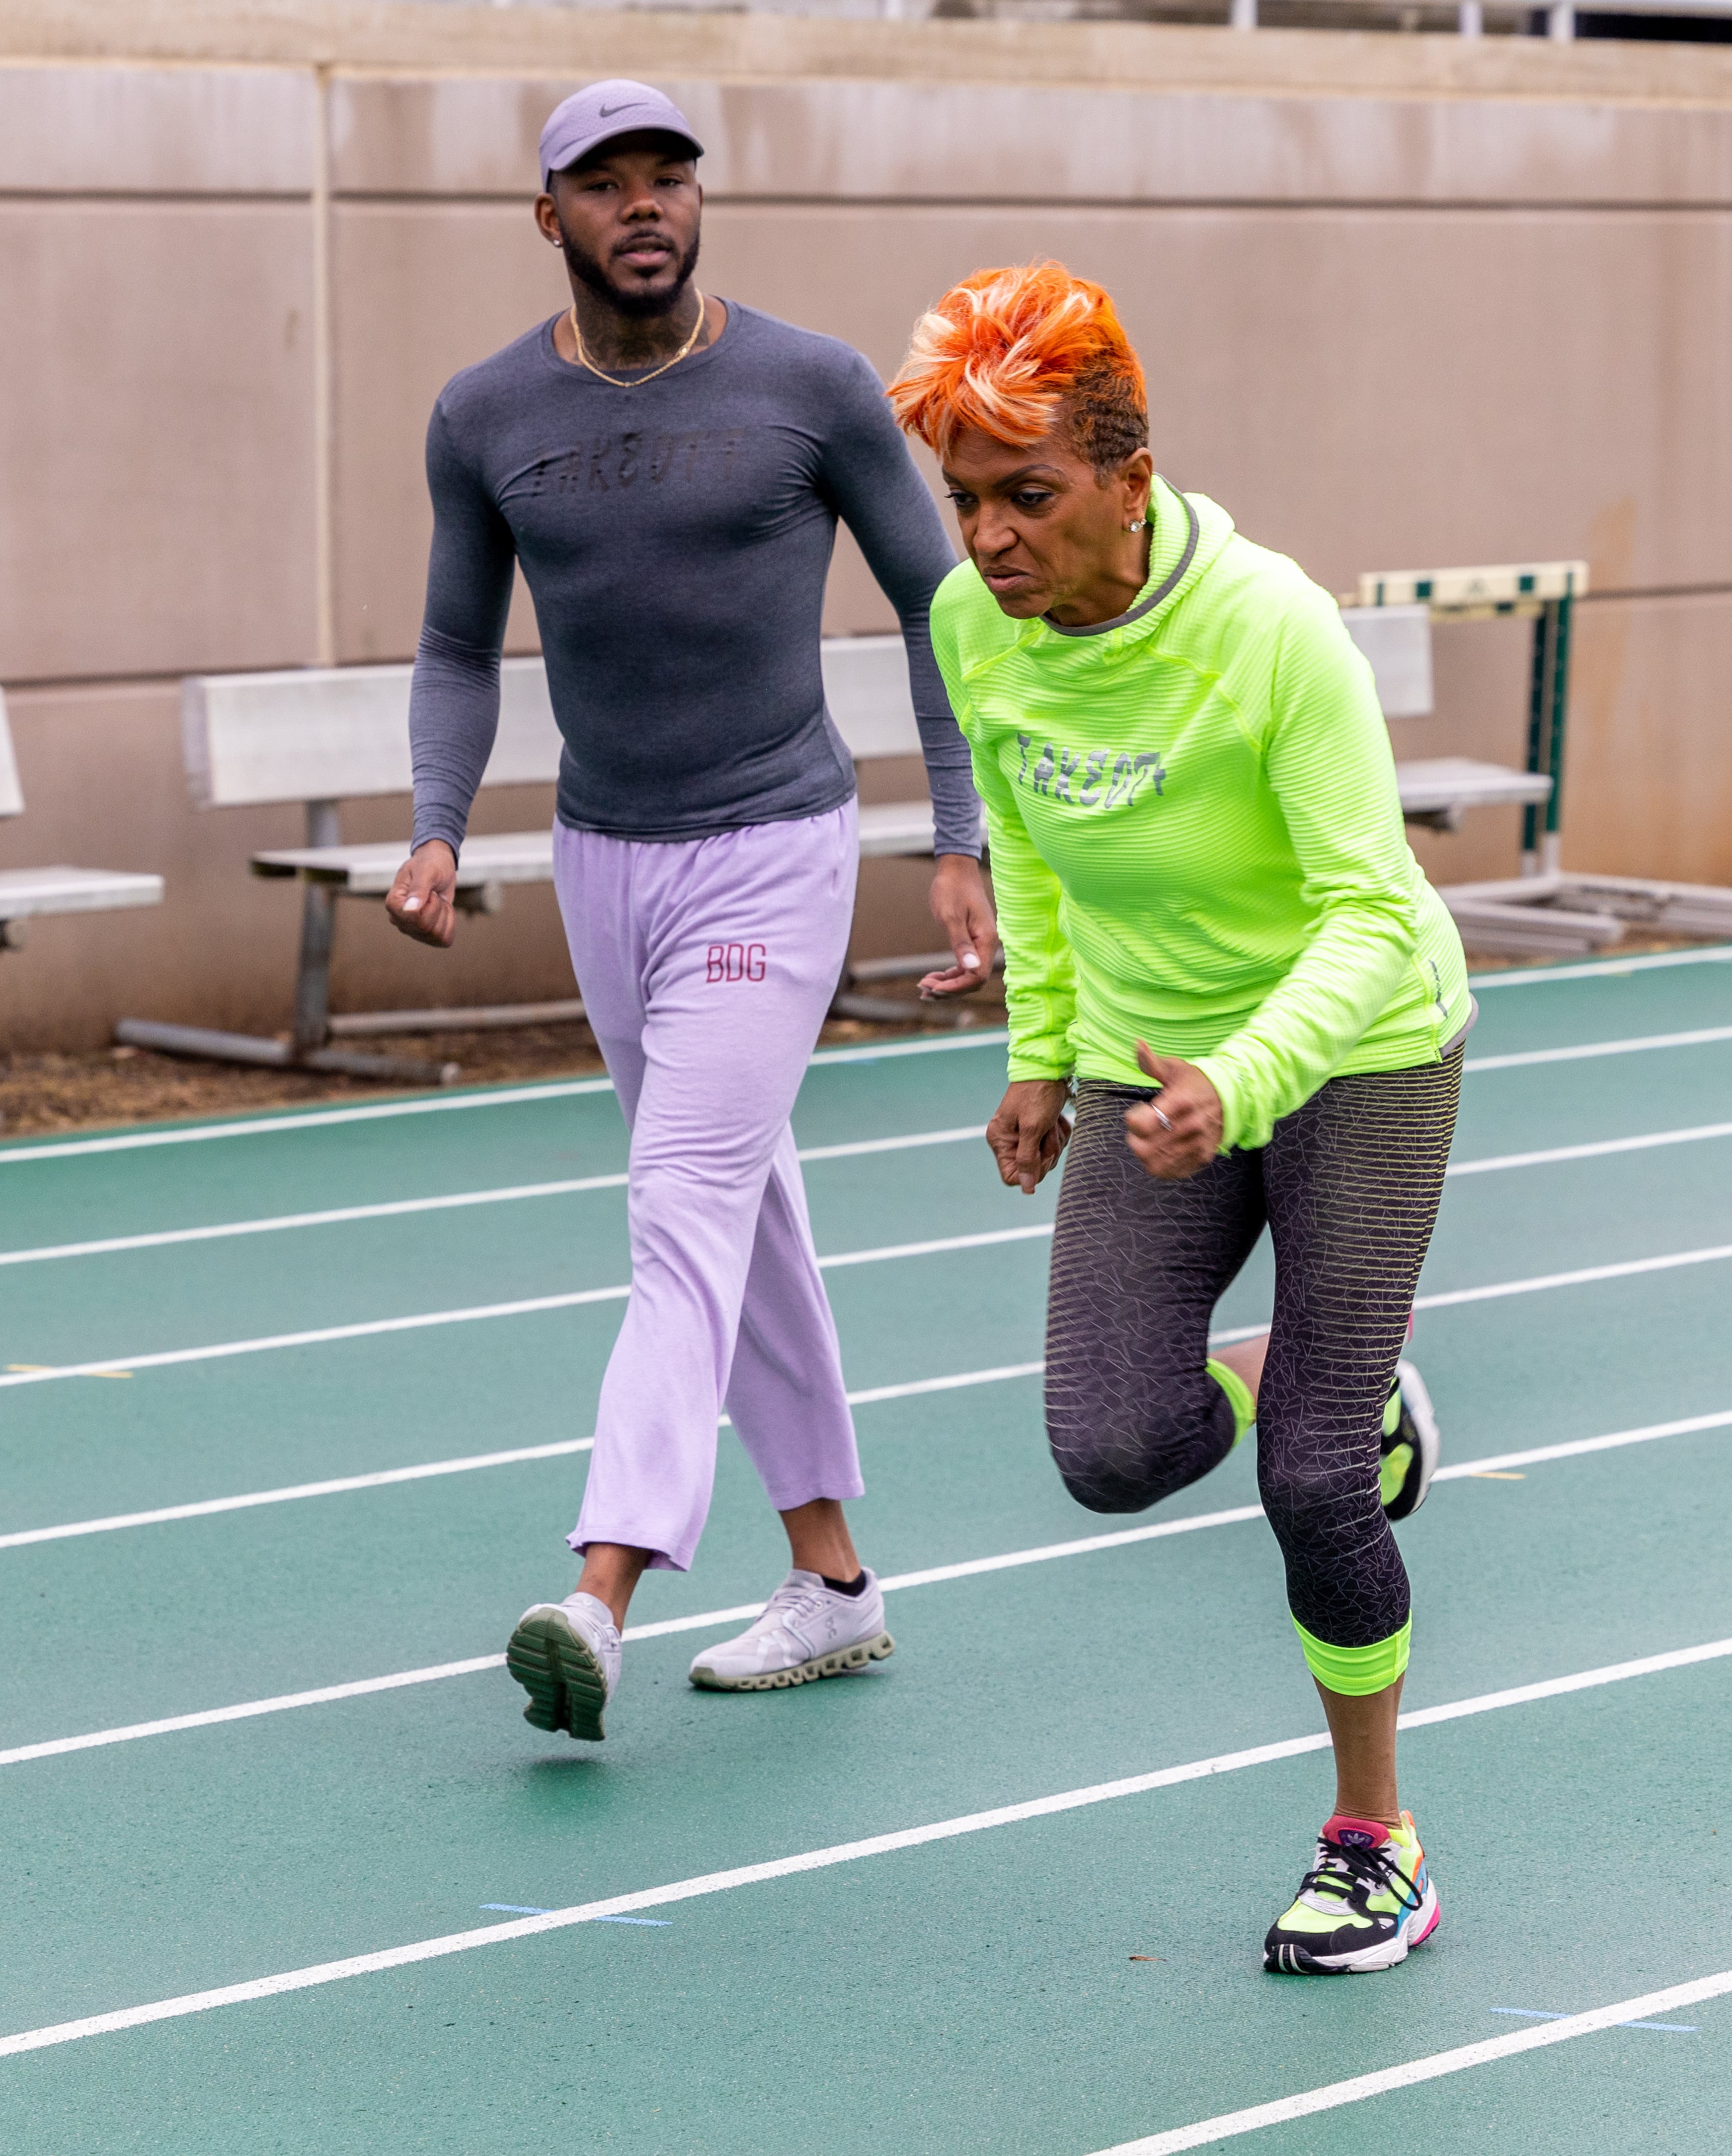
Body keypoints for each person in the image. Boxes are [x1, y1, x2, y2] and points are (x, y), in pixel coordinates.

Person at [385, 82, 997, 1744]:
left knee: (681, 1201)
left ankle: (602, 1584)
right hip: (607, 859)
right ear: (550, 217)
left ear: (699, 203)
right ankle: (836, 1582)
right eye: (605, 184)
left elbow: (943, 606)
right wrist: (439, 824)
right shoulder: (485, 414)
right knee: (747, 1210)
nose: (643, 206)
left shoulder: (809, 386)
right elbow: (457, 646)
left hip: (774, 844)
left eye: (669, 178)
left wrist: (961, 830)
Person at [889, 262, 1472, 1975]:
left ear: (1129, 482)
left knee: (1310, 1473)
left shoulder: (1273, 626)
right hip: (1151, 1067)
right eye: (967, 499)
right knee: (1113, 1452)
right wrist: (1040, 1054)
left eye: (1029, 496)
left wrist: (1250, 1079)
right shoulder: (970, 628)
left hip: (1359, 1047)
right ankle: (1333, 1384)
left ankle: (1378, 1843)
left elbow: (1373, 913)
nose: (990, 540)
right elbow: (1034, 854)